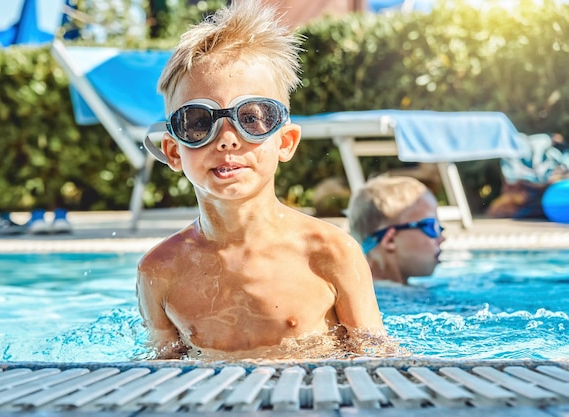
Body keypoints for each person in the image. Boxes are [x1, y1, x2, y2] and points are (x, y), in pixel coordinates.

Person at [136, 0, 387, 360]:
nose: (226, 138)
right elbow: (157, 372)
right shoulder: (159, 271)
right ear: (174, 152)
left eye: (252, 119)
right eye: (198, 122)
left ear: (285, 142)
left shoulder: (329, 253)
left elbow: (379, 360)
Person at [348, 176, 445, 285]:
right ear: (390, 240)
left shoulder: (362, 291)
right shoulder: (379, 296)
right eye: (431, 227)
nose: (442, 238)